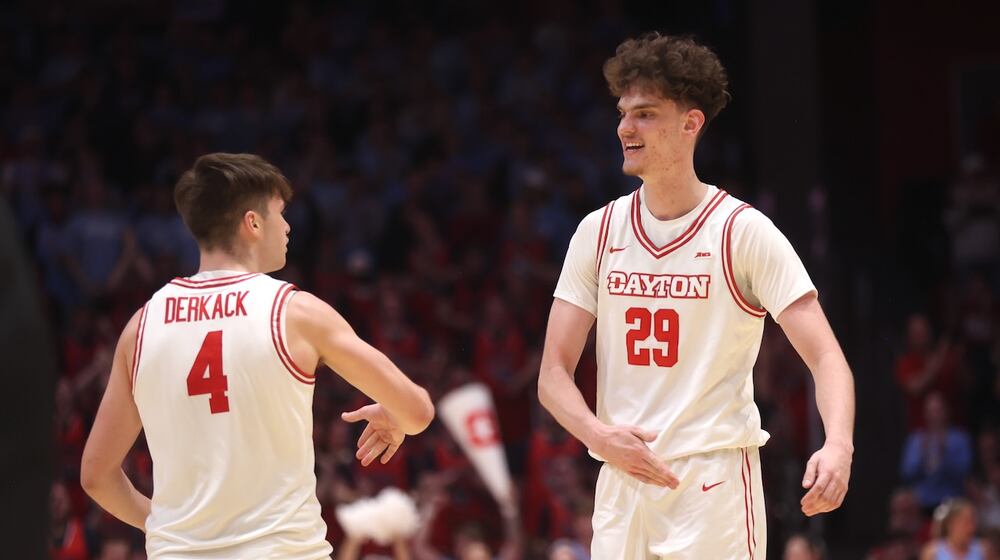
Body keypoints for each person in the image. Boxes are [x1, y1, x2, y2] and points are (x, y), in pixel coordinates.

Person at [537, 33, 855, 558]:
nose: (624, 128)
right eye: (623, 113)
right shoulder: (598, 232)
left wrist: (838, 444)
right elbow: (552, 373)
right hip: (621, 480)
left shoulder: (741, 231)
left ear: (690, 123)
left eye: (645, 114)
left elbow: (826, 356)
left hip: (712, 485)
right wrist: (597, 435)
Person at [80, 153, 435, 559]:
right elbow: (417, 411)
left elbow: (96, 476)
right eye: (280, 214)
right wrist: (395, 417)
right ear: (253, 223)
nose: (286, 227)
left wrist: (169, 528)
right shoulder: (296, 312)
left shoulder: (140, 327)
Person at [920, 499, 989, 560]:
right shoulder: (932, 553)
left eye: (973, 522)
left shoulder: (984, 550)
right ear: (950, 524)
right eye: (966, 522)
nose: (971, 528)